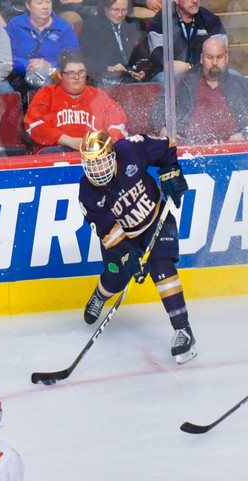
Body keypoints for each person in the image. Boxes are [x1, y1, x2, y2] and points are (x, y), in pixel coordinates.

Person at [77, 129, 197, 363]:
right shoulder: (87, 194)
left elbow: (167, 146)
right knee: (116, 279)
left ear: (112, 155)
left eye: (101, 163)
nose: (97, 171)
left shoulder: (131, 149)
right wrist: (128, 256)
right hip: (124, 237)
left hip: (155, 220)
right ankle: (101, 295)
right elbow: (109, 233)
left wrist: (171, 171)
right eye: (91, 165)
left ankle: (183, 330)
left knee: (162, 269)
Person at [150, 35, 248, 142]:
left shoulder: (246, 87)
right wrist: (163, 128)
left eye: (220, 57)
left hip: (232, 148)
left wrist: (245, 134)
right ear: (201, 58)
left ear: (227, 58)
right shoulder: (181, 83)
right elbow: (158, 110)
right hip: (190, 147)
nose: (215, 62)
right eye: (209, 57)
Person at [24, 49, 128, 152]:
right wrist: (70, 141)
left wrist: (104, 143)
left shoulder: (98, 96)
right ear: (60, 74)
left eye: (81, 72)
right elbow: (34, 125)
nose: (77, 77)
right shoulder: (47, 94)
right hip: (56, 151)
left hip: (93, 153)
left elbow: (118, 122)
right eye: (71, 73)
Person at [6, 0, 80, 93]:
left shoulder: (63, 27)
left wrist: (51, 65)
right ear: (28, 6)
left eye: (48, 2)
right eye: (39, 3)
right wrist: (27, 66)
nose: (45, 7)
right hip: (21, 79)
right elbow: (7, 57)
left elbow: (73, 58)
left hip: (56, 80)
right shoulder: (15, 25)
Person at [147, 0, 226, 83]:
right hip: (172, 74)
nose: (195, 1)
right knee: (166, 80)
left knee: (234, 76)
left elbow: (222, 52)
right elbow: (157, 54)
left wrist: (191, 67)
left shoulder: (211, 20)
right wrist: (171, 64)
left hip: (206, 71)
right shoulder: (161, 20)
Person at [79, 0, 153, 86]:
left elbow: (144, 53)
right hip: (106, 75)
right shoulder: (92, 26)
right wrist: (109, 68)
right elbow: (87, 57)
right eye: (115, 10)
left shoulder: (135, 24)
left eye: (124, 10)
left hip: (131, 75)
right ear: (105, 8)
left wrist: (143, 71)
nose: (120, 14)